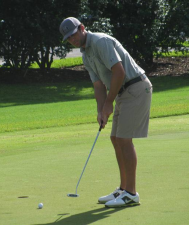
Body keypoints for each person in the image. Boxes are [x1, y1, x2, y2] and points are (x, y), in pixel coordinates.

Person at [59, 17, 152, 208]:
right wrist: (101, 110)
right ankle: (123, 188)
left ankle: (131, 193)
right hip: (122, 93)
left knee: (124, 139)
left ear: (82, 28)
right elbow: (98, 85)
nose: (72, 40)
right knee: (115, 138)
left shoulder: (100, 41)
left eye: (74, 34)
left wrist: (109, 103)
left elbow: (119, 72)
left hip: (136, 88)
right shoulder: (86, 54)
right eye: (68, 39)